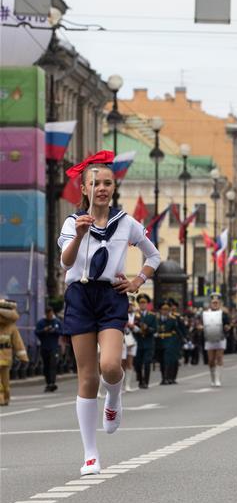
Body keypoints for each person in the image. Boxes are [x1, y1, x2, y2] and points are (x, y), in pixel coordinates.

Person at [57, 153, 161, 474]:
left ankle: (114, 397)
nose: (102, 188)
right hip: (79, 296)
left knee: (110, 366)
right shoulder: (72, 223)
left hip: (110, 296)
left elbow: (153, 255)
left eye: (107, 183)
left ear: (114, 187)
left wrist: (136, 280)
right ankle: (90, 454)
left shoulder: (126, 223)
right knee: (87, 377)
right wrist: (79, 235)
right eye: (95, 183)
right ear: (84, 189)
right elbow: (66, 262)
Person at [0, 298, 29, 406]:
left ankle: (6, 397)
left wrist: (23, 356)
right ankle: (1, 398)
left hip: (6, 358)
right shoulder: (12, 326)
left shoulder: (11, 327)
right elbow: (18, 343)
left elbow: (18, 343)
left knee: (5, 381)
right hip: (6, 357)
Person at [198, 293, 230, 387]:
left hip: (220, 337)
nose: (215, 304)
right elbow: (200, 324)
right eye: (213, 302)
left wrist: (227, 327)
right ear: (210, 303)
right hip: (209, 338)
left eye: (217, 303)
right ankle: (212, 377)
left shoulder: (223, 314)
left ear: (219, 303)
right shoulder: (205, 314)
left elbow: (228, 324)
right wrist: (200, 327)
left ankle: (218, 379)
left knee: (219, 357)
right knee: (211, 360)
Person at [36, 306, 62, 392]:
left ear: (52, 313)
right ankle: (48, 383)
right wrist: (44, 330)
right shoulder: (41, 322)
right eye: (48, 314)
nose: (49, 316)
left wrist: (54, 331)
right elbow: (36, 332)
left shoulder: (57, 322)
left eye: (50, 314)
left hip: (54, 347)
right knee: (46, 366)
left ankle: (52, 383)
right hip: (44, 347)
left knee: (52, 365)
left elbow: (62, 332)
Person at [156, 300, 183, 385]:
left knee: (167, 360)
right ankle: (163, 377)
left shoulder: (172, 319)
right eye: (163, 309)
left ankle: (166, 378)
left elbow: (178, 330)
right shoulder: (156, 319)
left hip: (169, 342)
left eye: (167, 309)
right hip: (159, 342)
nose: (165, 311)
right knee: (161, 361)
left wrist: (182, 339)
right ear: (160, 310)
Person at [133, 294, 156, 389]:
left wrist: (148, 329)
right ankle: (140, 379)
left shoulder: (152, 316)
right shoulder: (135, 315)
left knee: (147, 362)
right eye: (141, 303)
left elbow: (155, 329)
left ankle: (146, 381)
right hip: (137, 342)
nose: (142, 305)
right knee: (137, 363)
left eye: (144, 303)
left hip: (148, 342)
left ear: (147, 304)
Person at [121, 301, 139, 392]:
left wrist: (133, 327)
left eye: (131, 305)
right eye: (128, 305)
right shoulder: (120, 314)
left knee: (129, 363)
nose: (129, 307)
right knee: (122, 363)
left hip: (132, 342)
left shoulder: (137, 316)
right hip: (122, 341)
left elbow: (140, 329)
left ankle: (127, 385)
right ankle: (120, 385)